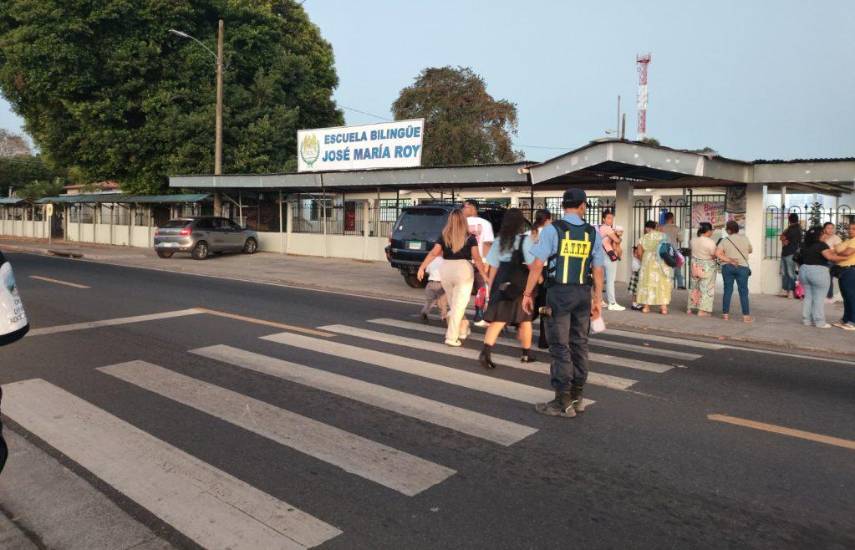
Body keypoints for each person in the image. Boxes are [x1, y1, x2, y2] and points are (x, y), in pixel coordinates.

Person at [521, 188, 605, 418]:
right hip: (582, 293)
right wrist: (597, 299)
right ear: (582, 206)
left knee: (559, 346)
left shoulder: (552, 230)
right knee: (579, 343)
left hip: (558, 293)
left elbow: (538, 265)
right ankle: (577, 397)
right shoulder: (592, 233)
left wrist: (527, 294)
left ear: (564, 205)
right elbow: (598, 270)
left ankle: (562, 401)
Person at [417, 209, 488, 346]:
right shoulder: (470, 237)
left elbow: (433, 253)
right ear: (463, 220)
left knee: (455, 303)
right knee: (458, 306)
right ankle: (451, 337)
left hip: (446, 269)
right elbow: (477, 259)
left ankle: (463, 328)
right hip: (463, 269)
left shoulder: (444, 236)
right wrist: (485, 275)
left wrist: (422, 267)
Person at [479, 208, 538, 369]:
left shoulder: (499, 241)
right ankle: (526, 354)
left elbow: (493, 267)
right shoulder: (525, 241)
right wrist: (538, 278)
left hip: (501, 284)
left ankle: (486, 352)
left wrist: (491, 289)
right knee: (525, 319)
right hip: (520, 286)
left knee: (498, 320)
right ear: (520, 223)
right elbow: (533, 265)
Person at [798, 226, 850, 328]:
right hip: (818, 272)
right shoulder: (821, 245)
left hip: (804, 271)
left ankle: (806, 320)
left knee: (808, 297)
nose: (825, 235)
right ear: (819, 235)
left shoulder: (805, 244)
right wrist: (846, 258)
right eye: (823, 233)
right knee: (818, 298)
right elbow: (830, 257)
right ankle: (819, 322)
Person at [461, 199, 494, 327]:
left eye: (465, 206)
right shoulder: (485, 223)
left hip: (464, 261)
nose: (462, 209)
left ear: (473, 208)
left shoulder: (459, 222)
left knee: (463, 288)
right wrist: (487, 262)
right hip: (480, 261)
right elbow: (488, 244)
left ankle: (460, 313)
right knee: (481, 287)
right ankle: (479, 313)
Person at [717, 220, 753, 323]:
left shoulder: (725, 240)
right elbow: (750, 250)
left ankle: (725, 315)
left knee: (728, 290)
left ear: (728, 230)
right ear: (737, 229)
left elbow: (717, 253)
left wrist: (729, 260)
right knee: (743, 292)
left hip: (728, 267)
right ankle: (746, 316)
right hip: (742, 267)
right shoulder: (745, 239)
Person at [529, 209, 553, 349]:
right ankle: (544, 339)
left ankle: (520, 323)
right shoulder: (549, 233)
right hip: (543, 271)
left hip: (528, 270)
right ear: (547, 220)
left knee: (533, 302)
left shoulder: (529, 233)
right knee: (544, 305)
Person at [636, 220, 672, 314]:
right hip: (661, 262)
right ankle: (663, 308)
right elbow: (669, 249)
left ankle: (646, 307)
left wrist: (643, 260)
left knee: (647, 282)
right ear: (656, 227)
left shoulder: (643, 237)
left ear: (646, 228)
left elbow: (639, 253)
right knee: (662, 283)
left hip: (647, 262)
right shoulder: (663, 236)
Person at [687, 222, 721, 317]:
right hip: (707, 267)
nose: (712, 233)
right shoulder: (710, 242)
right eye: (712, 231)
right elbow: (714, 255)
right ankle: (702, 311)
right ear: (708, 231)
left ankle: (690, 307)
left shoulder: (693, 240)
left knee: (694, 287)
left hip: (695, 265)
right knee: (706, 288)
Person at [598, 210, 625, 311]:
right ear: (603, 219)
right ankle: (612, 303)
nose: (611, 220)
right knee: (610, 280)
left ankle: (599, 301)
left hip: (600, 255)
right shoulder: (607, 228)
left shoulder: (601, 228)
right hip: (609, 255)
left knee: (600, 280)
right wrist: (618, 236)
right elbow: (617, 240)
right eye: (608, 218)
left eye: (612, 218)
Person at [831, 221, 855, 331]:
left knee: (851, 296)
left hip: (850, 270)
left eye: (853, 229)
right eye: (849, 228)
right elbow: (836, 250)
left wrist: (835, 254)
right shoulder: (848, 240)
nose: (850, 230)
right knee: (846, 297)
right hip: (843, 271)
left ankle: (853, 321)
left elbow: (847, 253)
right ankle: (846, 319)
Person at [779, 212, 802, 298]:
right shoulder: (796, 228)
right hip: (789, 253)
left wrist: (784, 238)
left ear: (789, 220)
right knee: (787, 272)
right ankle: (787, 291)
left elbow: (782, 237)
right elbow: (782, 238)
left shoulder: (792, 229)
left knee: (789, 273)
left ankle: (790, 291)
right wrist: (784, 238)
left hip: (789, 253)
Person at [420, 257, 448, 324]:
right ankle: (443, 316)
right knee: (442, 302)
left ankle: (424, 312)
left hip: (431, 283)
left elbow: (427, 271)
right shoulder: (446, 261)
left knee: (429, 301)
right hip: (441, 283)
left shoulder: (430, 259)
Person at [661, 212, 685, 289]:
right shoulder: (676, 228)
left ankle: (665, 284)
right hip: (674, 249)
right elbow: (681, 239)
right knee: (677, 266)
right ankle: (680, 285)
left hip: (664, 249)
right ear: (672, 218)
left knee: (664, 267)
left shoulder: (662, 228)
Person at [822, 222, 843, 303]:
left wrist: (827, 251)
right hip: (820, 260)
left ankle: (829, 295)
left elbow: (837, 251)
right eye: (828, 228)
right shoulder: (821, 238)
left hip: (830, 261)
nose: (830, 230)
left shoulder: (836, 238)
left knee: (828, 276)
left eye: (832, 228)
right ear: (824, 229)